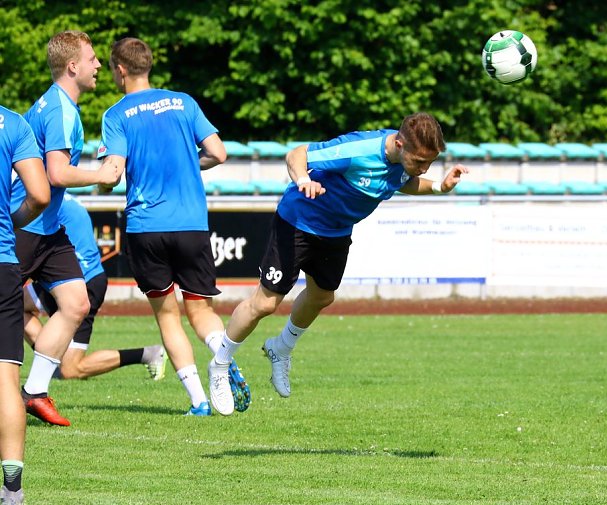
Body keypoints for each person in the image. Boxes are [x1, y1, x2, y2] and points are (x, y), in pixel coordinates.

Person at [206, 112, 468, 399]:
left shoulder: (404, 160)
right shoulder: (357, 151)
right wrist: (303, 179)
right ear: (399, 144)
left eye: (429, 163)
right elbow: (297, 154)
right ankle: (220, 364)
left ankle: (280, 348)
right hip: (298, 222)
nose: (424, 168)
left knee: (321, 297)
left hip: (336, 232)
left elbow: (402, 181)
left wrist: (439, 187)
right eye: (420, 161)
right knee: (265, 304)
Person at [96, 37, 248, 416]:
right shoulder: (183, 102)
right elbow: (219, 153)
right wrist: (188, 163)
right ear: (148, 65)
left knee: (167, 316)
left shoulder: (116, 115)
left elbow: (112, 172)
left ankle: (199, 401)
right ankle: (221, 359)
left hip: (146, 227)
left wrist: (102, 184)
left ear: (120, 70)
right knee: (201, 311)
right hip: (191, 223)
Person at [10, 31, 122, 427]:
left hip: (47, 226)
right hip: (24, 225)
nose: (98, 66)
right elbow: (56, 174)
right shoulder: (61, 109)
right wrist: (100, 174)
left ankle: (34, 392)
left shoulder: (53, 104)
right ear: (72, 66)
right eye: (92, 59)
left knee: (76, 304)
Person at [23, 193, 167, 381]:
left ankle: (146, 354)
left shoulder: (44, 200)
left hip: (81, 282)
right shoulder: (60, 197)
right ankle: (50, 360)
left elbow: (30, 241)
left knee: (71, 370)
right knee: (13, 303)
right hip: (77, 278)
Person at [0, 104, 51, 505]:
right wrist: (12, 220)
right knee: (5, 381)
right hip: (2, 262)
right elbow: (40, 195)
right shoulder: (14, 123)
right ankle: (12, 493)